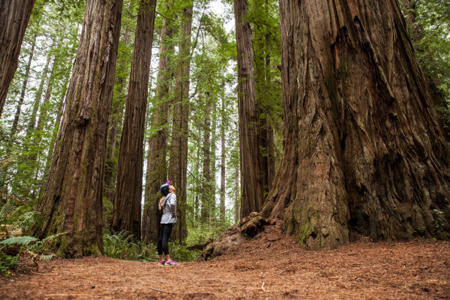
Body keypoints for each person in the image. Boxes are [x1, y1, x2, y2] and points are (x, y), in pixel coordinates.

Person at [157, 181, 179, 266]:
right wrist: (174, 214)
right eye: (170, 185)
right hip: (169, 219)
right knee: (165, 239)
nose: (172, 185)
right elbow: (173, 204)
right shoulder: (172, 195)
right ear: (169, 190)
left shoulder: (166, 197)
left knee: (161, 239)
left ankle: (161, 260)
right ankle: (168, 260)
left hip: (163, 219)